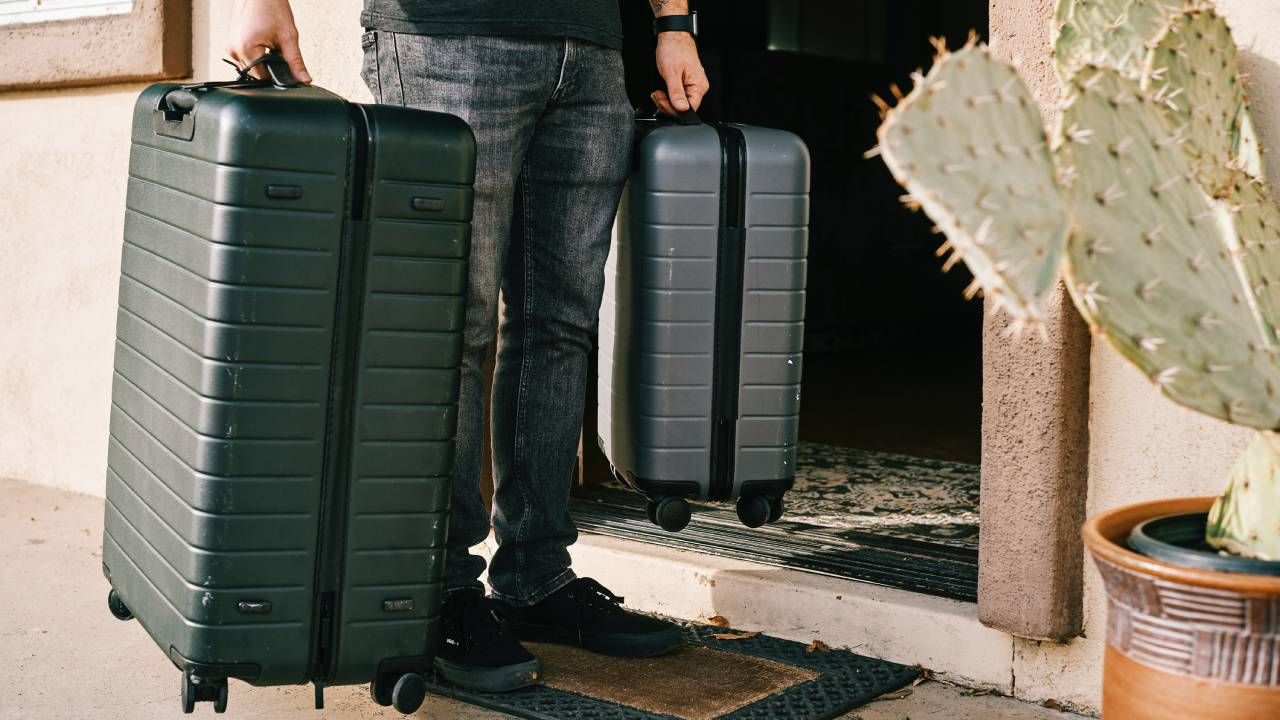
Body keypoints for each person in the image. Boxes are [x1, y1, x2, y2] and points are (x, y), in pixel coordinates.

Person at [228, 0, 710, 693]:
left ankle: (536, 576)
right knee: (449, 328)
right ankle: (436, 594)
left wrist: (673, 23)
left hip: (591, 49)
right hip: (446, 40)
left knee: (561, 324)